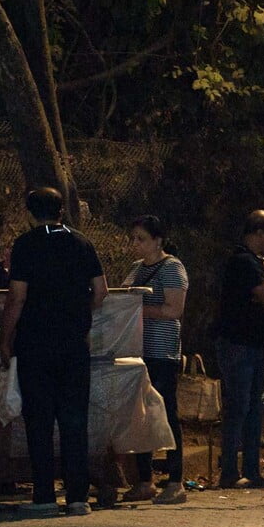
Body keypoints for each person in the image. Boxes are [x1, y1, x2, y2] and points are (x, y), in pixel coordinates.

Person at [0, 188, 108, 516]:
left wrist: (6, 338)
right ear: (62, 211)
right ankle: (77, 497)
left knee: (40, 422)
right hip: (74, 345)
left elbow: (17, 296)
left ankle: (45, 496)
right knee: (75, 421)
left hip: (35, 345)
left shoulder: (26, 245)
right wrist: (79, 316)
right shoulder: (82, 243)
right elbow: (101, 290)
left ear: (30, 213)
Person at [120, 215, 190, 504]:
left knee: (167, 412)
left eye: (141, 239)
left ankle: (175, 480)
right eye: (133, 238)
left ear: (157, 241)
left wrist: (138, 309)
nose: (135, 244)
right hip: (138, 349)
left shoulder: (172, 268)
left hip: (162, 351)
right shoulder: (136, 270)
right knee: (141, 415)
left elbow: (173, 309)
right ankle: (144, 479)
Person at [215, 210, 264, 490]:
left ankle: (250, 471)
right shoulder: (244, 262)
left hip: (254, 345)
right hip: (239, 345)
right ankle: (231, 471)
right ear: (259, 233)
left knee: (255, 408)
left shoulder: (258, 263)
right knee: (240, 406)